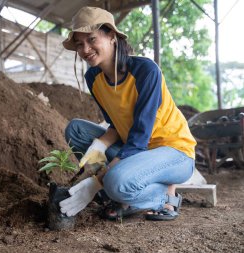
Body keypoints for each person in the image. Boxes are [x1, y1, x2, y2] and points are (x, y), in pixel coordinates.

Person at [59, 6, 196, 221]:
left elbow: (139, 137)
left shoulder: (145, 71)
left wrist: (97, 182)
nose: (85, 49)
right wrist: (99, 146)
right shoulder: (93, 78)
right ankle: (122, 188)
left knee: (115, 183)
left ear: (112, 36)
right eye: (79, 44)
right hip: (136, 153)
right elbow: (115, 124)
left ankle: (164, 197)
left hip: (174, 153)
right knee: (76, 129)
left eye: (92, 40)